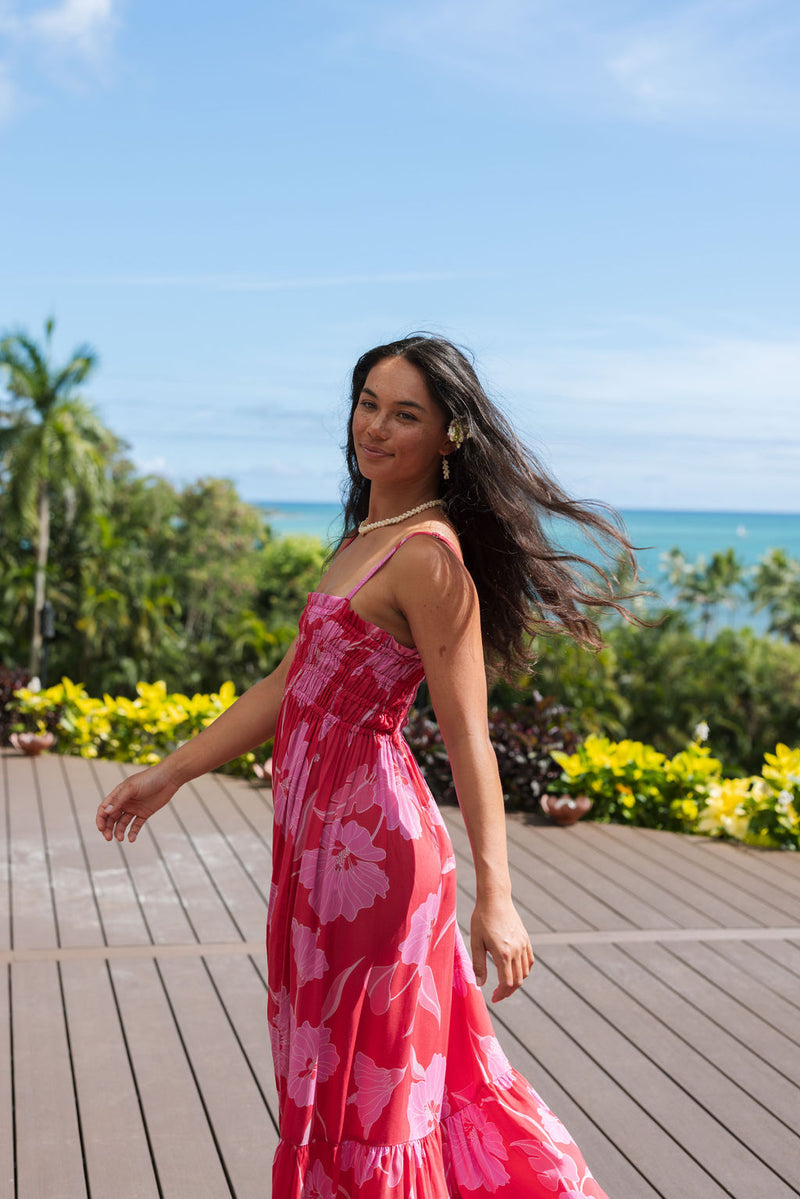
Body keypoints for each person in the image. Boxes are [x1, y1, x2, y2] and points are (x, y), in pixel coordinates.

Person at [98, 334, 649, 1198]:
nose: (376, 427)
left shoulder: (428, 557)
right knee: (339, 1071)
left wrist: (495, 896)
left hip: (376, 858)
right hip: (314, 849)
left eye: (405, 414)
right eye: (367, 403)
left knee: (378, 1087)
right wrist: (174, 771)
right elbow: (291, 682)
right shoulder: (364, 536)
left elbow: (470, 738)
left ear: (447, 437)